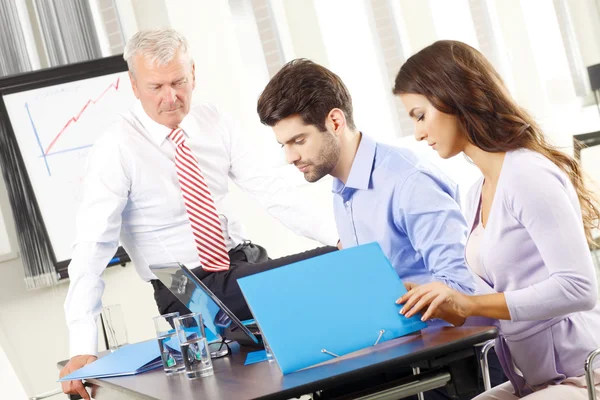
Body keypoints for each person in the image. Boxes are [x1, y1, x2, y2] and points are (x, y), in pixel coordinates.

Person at [60, 29, 337, 399]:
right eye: (156, 86)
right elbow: (92, 248)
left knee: (324, 325)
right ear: (134, 85)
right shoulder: (116, 149)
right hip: (183, 284)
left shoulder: (215, 122)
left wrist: (338, 234)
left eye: (178, 82)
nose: (170, 97)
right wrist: (82, 346)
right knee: (328, 265)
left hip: (241, 263)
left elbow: (275, 192)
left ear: (194, 73)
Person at [257, 59, 485, 399]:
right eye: (284, 145)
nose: (291, 156)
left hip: (442, 364)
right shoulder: (342, 184)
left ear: (335, 121)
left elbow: (465, 290)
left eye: (298, 141)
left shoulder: (407, 182)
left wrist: (386, 293)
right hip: (394, 350)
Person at [395, 40, 600, 399]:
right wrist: (446, 307)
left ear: (452, 97)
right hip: (532, 378)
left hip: (584, 373)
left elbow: (579, 288)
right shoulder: (476, 192)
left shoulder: (527, 175)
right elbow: (495, 305)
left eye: (419, 115)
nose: (418, 133)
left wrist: (468, 303)